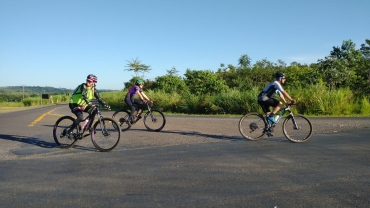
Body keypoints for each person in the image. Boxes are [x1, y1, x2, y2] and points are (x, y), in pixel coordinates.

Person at [65, 74, 110, 139]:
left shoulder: (93, 89)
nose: (87, 82)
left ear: (94, 82)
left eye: (89, 81)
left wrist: (105, 104)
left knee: (94, 111)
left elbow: (99, 98)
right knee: (80, 117)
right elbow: (84, 96)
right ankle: (70, 131)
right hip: (74, 103)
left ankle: (88, 127)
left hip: (83, 105)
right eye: (87, 80)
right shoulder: (83, 86)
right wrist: (89, 104)